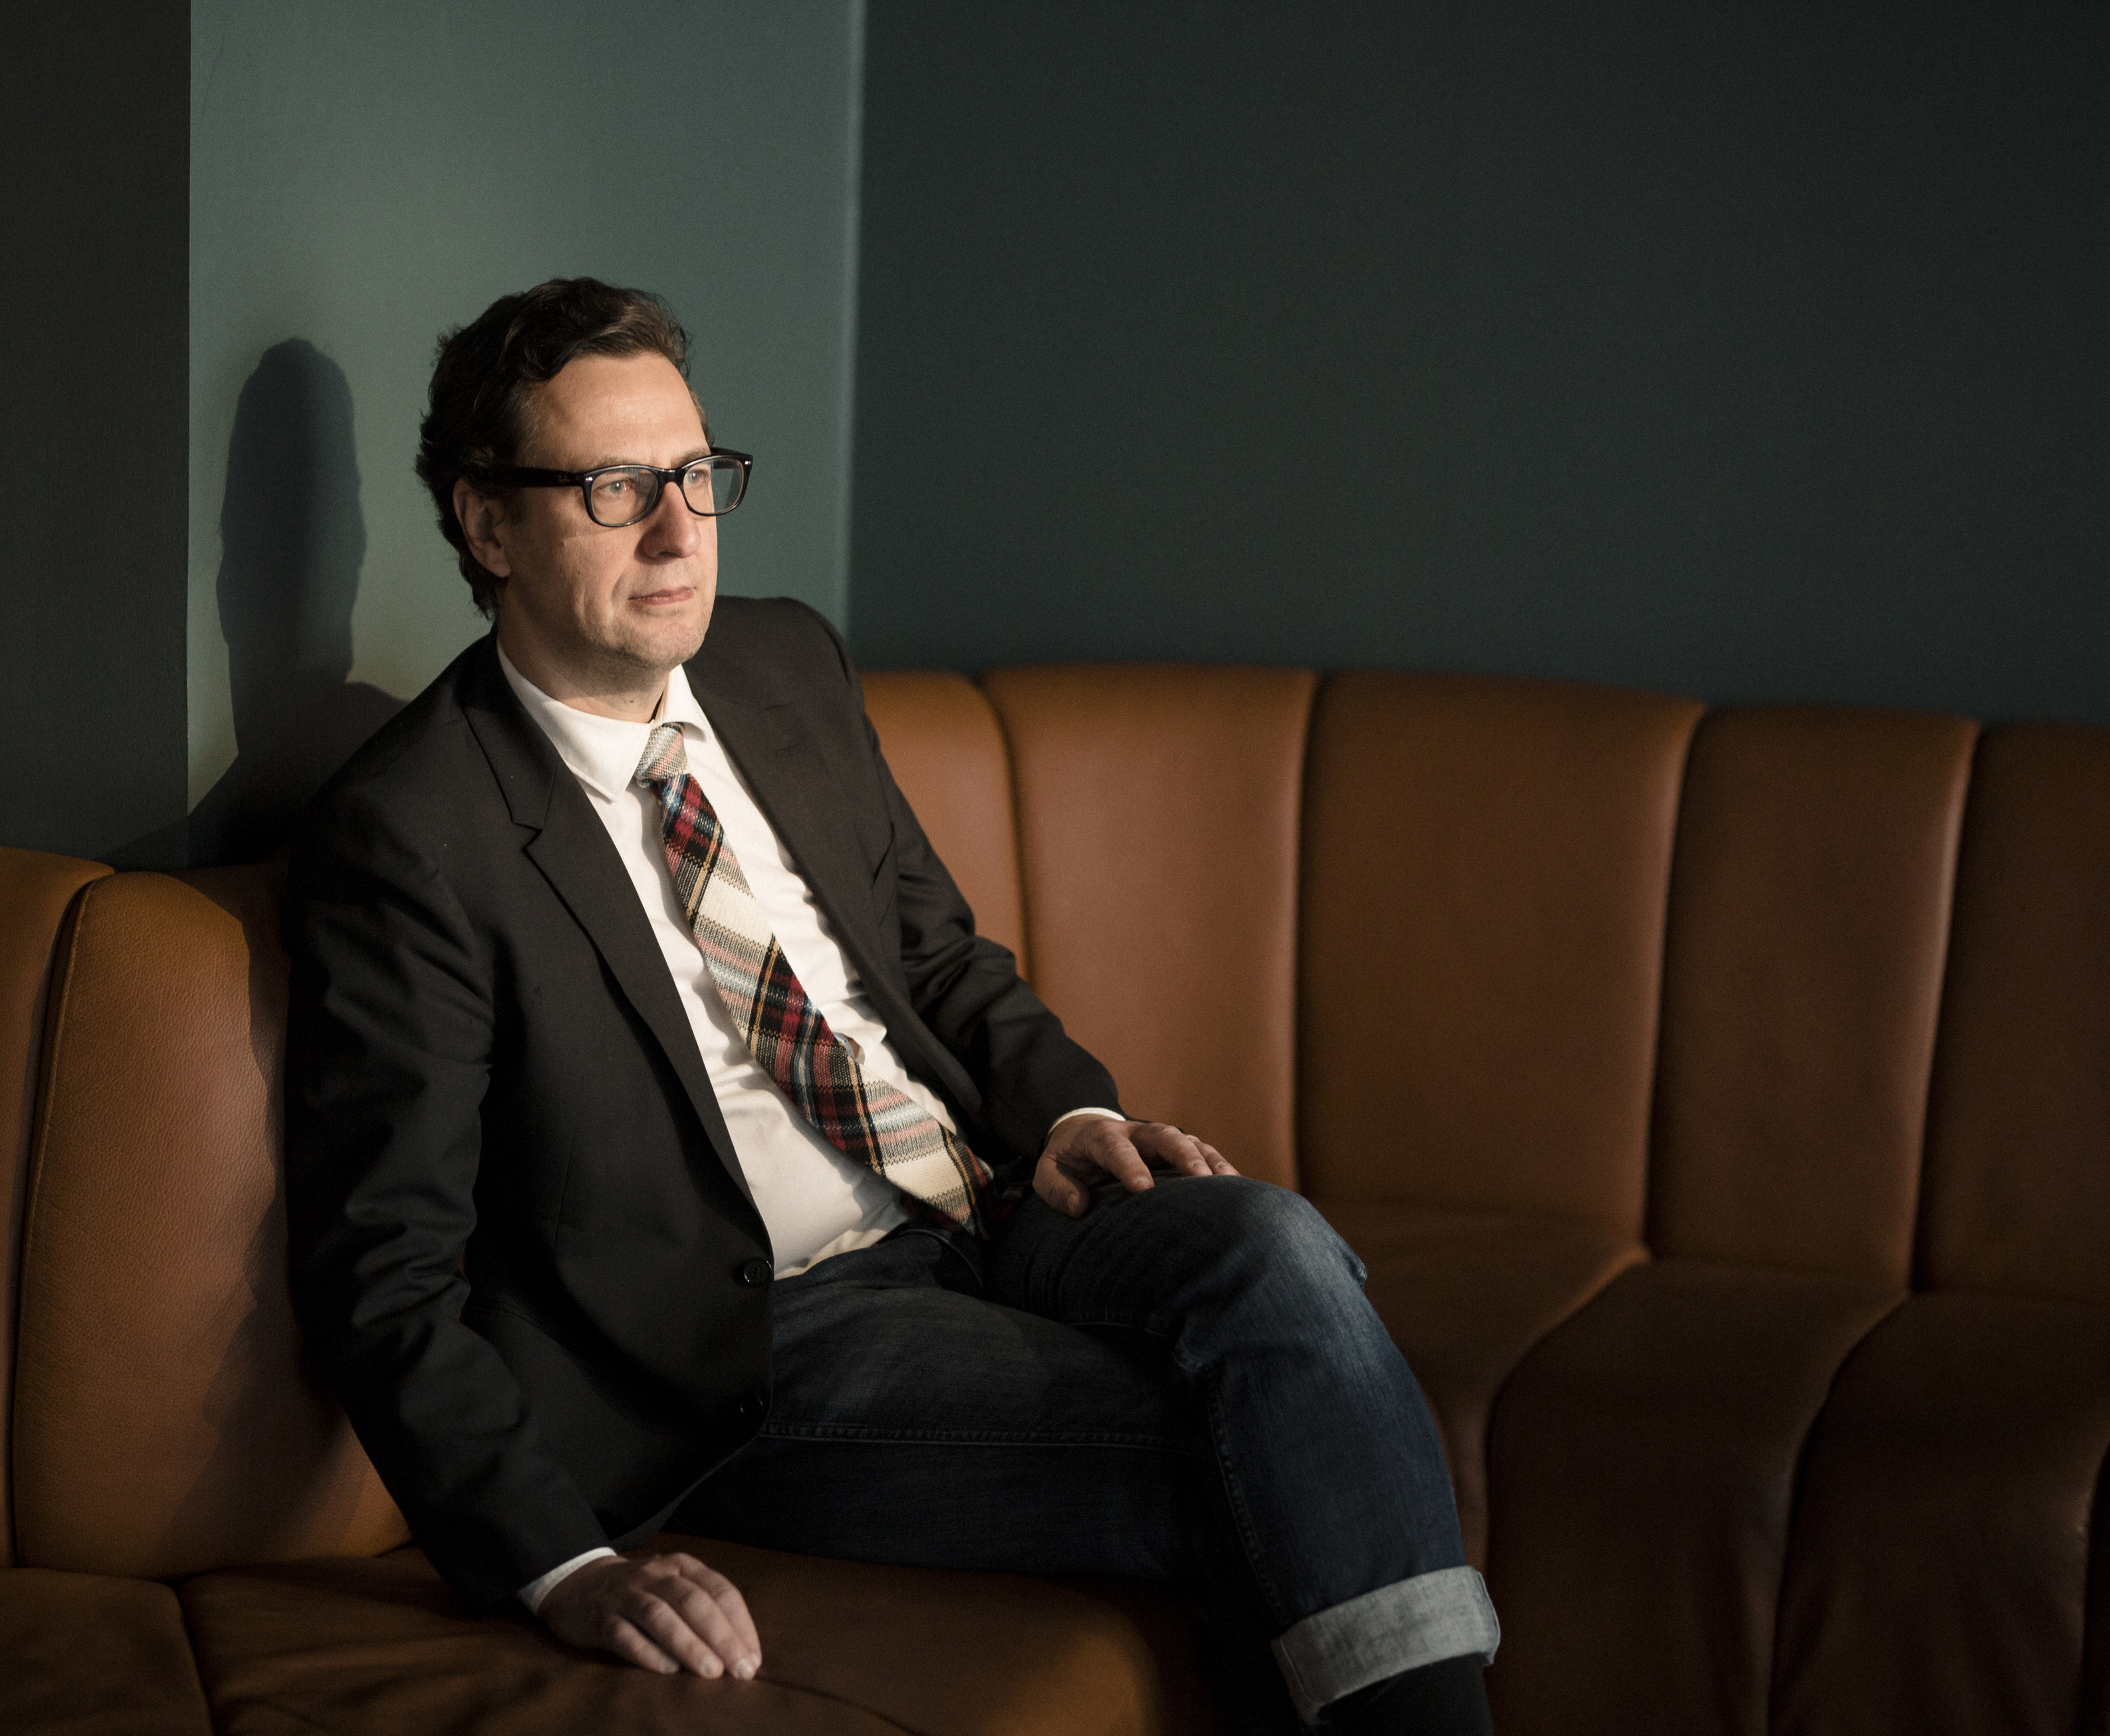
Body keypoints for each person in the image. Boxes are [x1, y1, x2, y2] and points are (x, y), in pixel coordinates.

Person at [283, 277, 1498, 1733]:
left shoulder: (782, 663)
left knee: (1274, 1247)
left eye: (695, 474)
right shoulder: (416, 831)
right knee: (1285, 1438)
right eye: (615, 490)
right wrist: (558, 1562)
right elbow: (383, 1266)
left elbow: (934, 959)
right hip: (770, 1340)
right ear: (488, 525)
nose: (679, 532)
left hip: (993, 1203)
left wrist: (1068, 1115)